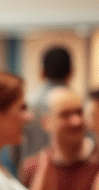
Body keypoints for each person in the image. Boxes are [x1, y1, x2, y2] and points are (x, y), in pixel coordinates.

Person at [4, 46, 73, 174]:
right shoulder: (78, 107)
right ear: (71, 72)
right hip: (68, 176)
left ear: (42, 72)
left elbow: (13, 154)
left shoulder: (27, 104)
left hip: (29, 175)